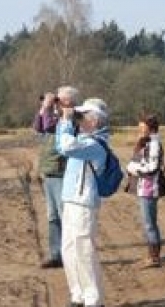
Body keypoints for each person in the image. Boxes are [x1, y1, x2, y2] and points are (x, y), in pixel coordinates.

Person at [56, 97, 110, 307]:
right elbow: (61, 145)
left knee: (85, 252)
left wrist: (66, 121)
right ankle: (77, 295)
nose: (79, 119)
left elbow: (66, 147)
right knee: (69, 250)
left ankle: (93, 300)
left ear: (95, 120)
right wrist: (63, 120)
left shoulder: (96, 144)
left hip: (83, 203)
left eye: (83, 115)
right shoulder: (84, 138)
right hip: (71, 200)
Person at [33, 89, 77, 269]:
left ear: (69, 101)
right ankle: (55, 254)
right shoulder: (56, 115)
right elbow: (38, 127)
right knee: (52, 217)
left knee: (64, 215)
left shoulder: (70, 117)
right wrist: (43, 109)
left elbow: (50, 126)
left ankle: (69, 254)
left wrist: (47, 108)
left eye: (60, 99)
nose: (56, 102)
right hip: (50, 172)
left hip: (61, 172)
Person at [125, 114, 164, 268]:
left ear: (151, 128)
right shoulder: (146, 142)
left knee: (149, 224)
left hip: (149, 189)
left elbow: (152, 168)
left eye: (143, 128)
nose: (139, 130)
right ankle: (151, 255)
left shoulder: (153, 144)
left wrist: (133, 169)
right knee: (148, 223)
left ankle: (154, 258)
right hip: (144, 188)